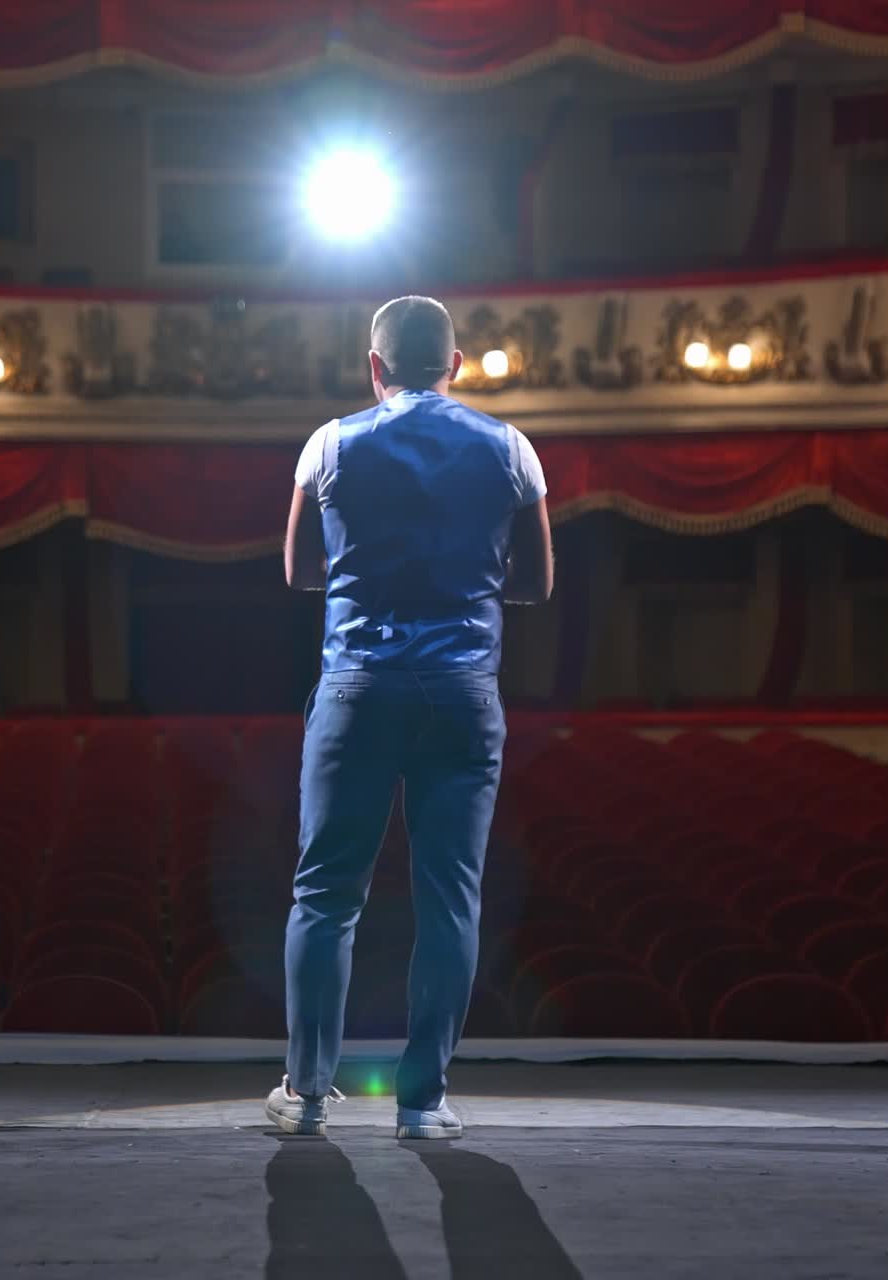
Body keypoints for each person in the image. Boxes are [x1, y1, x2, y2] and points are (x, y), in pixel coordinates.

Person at [265, 295, 554, 1138]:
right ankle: (422, 1105)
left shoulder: (330, 442)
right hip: (462, 691)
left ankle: (308, 1092)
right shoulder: (510, 447)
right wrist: (456, 579)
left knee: (324, 896)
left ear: (375, 369)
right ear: (457, 367)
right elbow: (535, 584)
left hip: (357, 686)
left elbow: (298, 572)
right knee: (450, 900)